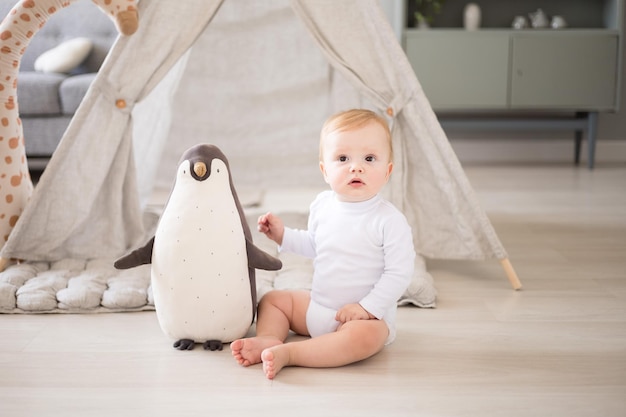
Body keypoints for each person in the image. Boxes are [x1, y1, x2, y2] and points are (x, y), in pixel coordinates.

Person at [231, 108, 415, 379]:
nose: (356, 166)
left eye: (369, 158)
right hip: (318, 308)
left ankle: (293, 354)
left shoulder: (389, 221)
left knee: (365, 338)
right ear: (325, 171)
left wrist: (366, 308)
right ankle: (269, 338)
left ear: (387, 171)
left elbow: (399, 273)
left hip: (363, 320)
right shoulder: (322, 205)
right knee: (273, 300)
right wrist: (283, 235)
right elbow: (316, 245)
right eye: (342, 158)